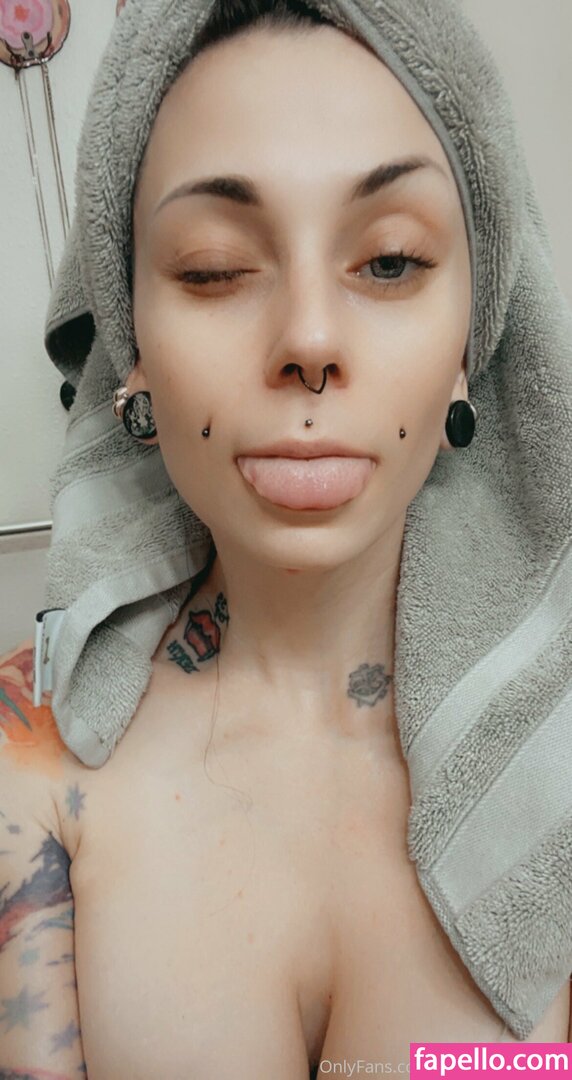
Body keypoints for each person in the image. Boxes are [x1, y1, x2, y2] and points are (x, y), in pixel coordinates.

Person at [1, 0, 570, 1075]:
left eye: (390, 261)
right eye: (213, 266)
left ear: (474, 338)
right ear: (129, 343)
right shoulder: (27, 756)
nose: (309, 339)